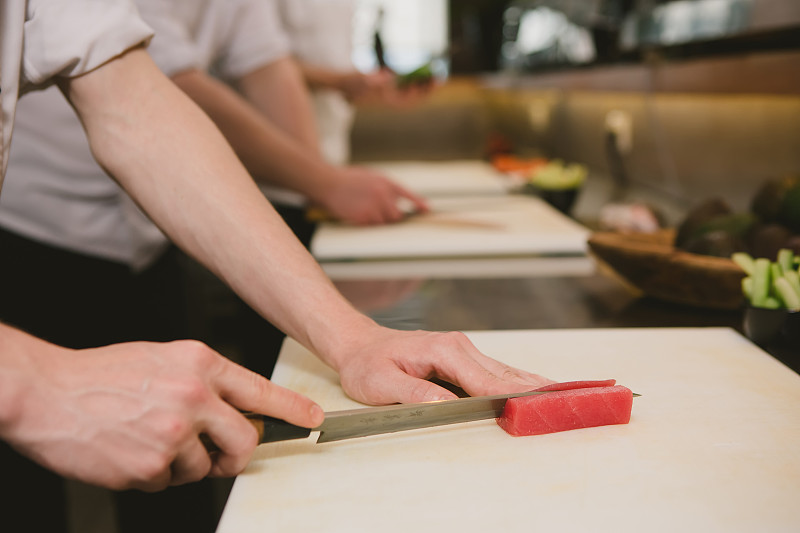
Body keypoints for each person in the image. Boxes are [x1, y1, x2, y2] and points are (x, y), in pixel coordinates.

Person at [1, 0, 552, 531]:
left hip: (137, 243)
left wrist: (352, 336)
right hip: (29, 231)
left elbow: (131, 103)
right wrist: (29, 381)